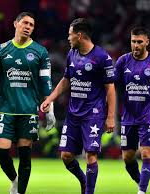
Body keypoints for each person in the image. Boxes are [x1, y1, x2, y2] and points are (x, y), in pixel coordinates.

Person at [0, 12, 56, 194]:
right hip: (7, 110)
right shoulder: (2, 49)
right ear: (15, 24)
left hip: (29, 111)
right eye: (25, 23)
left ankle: (20, 192)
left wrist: (50, 109)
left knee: (25, 157)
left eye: (32, 25)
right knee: (1, 152)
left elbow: (45, 82)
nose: (28, 27)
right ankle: (15, 180)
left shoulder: (40, 52)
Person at [41, 18, 116, 194]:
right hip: (73, 113)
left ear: (79, 35)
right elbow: (66, 80)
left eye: (70, 34)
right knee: (66, 156)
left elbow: (110, 89)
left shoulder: (102, 57)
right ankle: (84, 182)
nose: (68, 38)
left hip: (94, 114)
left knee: (90, 154)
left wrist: (110, 116)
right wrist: (50, 98)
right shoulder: (71, 54)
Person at [114, 27, 150, 194]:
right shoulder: (122, 61)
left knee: (147, 153)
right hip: (128, 116)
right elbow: (113, 87)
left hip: (149, 115)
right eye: (133, 41)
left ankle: (141, 191)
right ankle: (142, 184)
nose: (136, 45)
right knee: (127, 158)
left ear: (147, 42)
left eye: (139, 42)